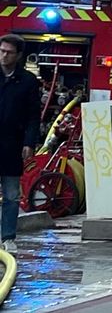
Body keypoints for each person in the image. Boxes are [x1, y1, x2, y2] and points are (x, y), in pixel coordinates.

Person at [0, 35, 41, 253]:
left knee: (11, 194)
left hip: (12, 144)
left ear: (18, 56)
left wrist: (29, 142)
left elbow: (34, 116)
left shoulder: (27, 82)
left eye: (9, 52)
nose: (4, 55)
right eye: (2, 50)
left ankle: (7, 237)